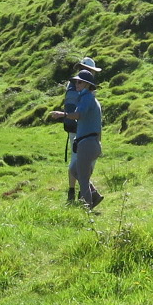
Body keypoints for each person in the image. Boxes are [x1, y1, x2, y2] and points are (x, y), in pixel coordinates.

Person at [48, 59, 104, 210]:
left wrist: (62, 114)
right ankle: (95, 196)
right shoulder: (86, 97)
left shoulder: (87, 98)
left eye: (79, 83)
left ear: (87, 85)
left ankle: (88, 207)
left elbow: (79, 114)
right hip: (88, 142)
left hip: (87, 142)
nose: (76, 85)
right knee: (74, 170)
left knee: (83, 177)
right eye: (76, 82)